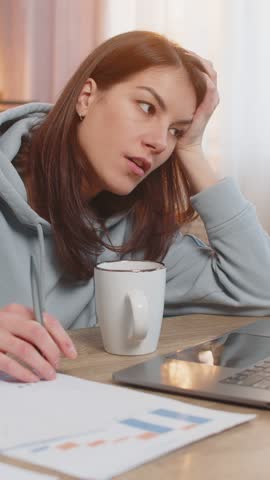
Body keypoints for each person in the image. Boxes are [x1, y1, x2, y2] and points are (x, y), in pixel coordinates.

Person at [0, 30, 269, 383]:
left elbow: (260, 288)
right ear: (86, 97)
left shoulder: (136, 240)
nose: (159, 142)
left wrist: (192, 150)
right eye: (146, 107)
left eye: (176, 130)